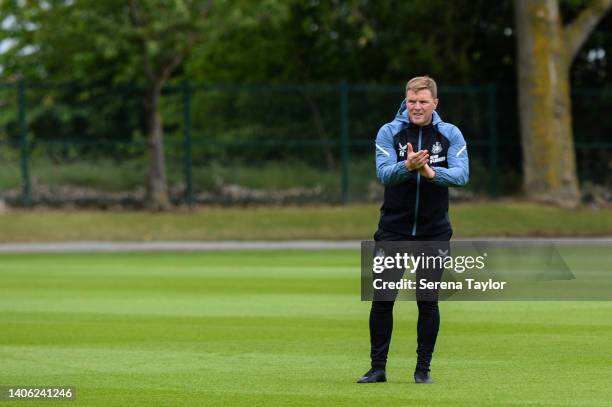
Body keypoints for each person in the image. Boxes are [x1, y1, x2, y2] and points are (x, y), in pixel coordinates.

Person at [357, 76, 469, 384]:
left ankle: (423, 370)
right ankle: (377, 368)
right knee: (382, 300)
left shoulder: (450, 134)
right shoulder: (389, 132)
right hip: (393, 229)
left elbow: (461, 175)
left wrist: (430, 171)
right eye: (411, 101)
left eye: (422, 101)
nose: (416, 107)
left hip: (435, 231)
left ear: (435, 103)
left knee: (427, 300)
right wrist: (407, 167)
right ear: (405, 101)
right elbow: (383, 174)